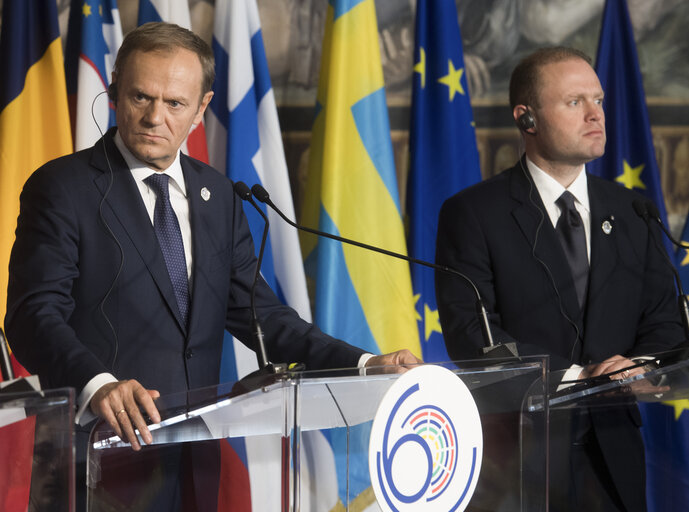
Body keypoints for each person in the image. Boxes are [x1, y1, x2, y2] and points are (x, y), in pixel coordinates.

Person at [4, 22, 420, 509]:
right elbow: (32, 315)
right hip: (101, 457)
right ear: (115, 92)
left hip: (195, 456)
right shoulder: (63, 187)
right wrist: (99, 384)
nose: (154, 117)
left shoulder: (219, 195)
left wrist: (365, 364)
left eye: (175, 104)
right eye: (141, 97)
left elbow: (264, 317)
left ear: (201, 109)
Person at [435, 47, 683, 511]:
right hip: (517, 466)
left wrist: (642, 365)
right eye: (575, 102)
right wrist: (582, 379)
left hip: (613, 463)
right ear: (526, 119)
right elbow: (472, 336)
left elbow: (665, 322)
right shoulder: (473, 213)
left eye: (599, 100)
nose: (595, 115)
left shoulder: (633, 210)